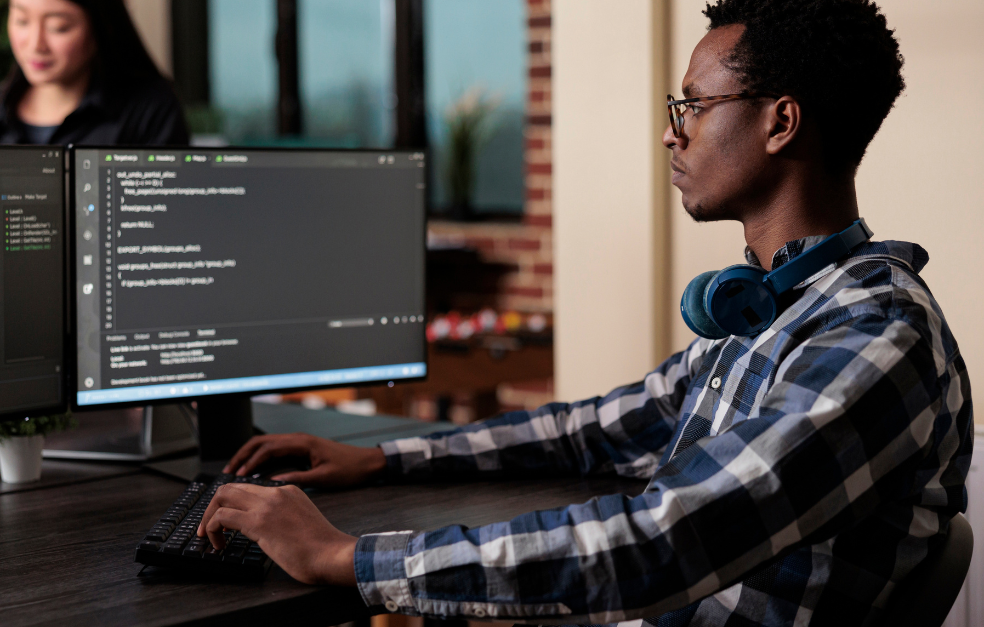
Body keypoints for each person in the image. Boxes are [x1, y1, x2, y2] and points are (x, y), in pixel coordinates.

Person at [195, 1, 973, 625]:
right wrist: (385, 458)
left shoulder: (874, 336)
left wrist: (349, 557)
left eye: (694, 105)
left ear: (780, 122)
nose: (672, 131)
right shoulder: (773, 306)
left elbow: (663, 542)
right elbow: (595, 426)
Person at [0, 0, 189, 145]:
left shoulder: (149, 112)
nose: (36, 45)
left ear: (99, 30)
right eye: (21, 20)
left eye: (59, 27)